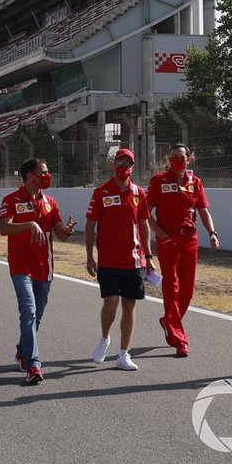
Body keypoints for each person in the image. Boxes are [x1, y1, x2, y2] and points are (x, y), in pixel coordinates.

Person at [0, 158, 76, 385]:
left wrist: (68, 230)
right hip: (21, 266)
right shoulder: (11, 200)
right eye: (43, 172)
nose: (47, 175)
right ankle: (33, 364)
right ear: (30, 176)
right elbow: (4, 228)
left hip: (45, 267)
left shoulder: (50, 201)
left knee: (37, 316)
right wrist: (29, 224)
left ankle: (23, 351)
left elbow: (60, 233)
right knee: (29, 311)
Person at [84, 148, 154, 371]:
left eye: (128, 164)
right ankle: (105, 339)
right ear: (114, 165)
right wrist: (89, 257)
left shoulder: (138, 193)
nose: (123, 168)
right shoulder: (101, 192)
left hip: (133, 261)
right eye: (120, 163)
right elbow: (90, 225)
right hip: (107, 260)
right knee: (110, 302)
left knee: (129, 305)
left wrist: (148, 255)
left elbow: (144, 224)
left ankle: (124, 354)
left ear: (133, 167)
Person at [147, 143, 219, 358]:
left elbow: (204, 211)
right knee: (173, 286)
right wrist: (161, 236)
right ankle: (180, 339)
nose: (177, 160)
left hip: (190, 240)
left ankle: (169, 321)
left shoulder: (195, 182)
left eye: (181, 157)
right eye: (173, 157)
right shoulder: (159, 181)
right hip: (168, 240)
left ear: (189, 159)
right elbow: (145, 213)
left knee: (187, 290)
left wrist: (212, 233)